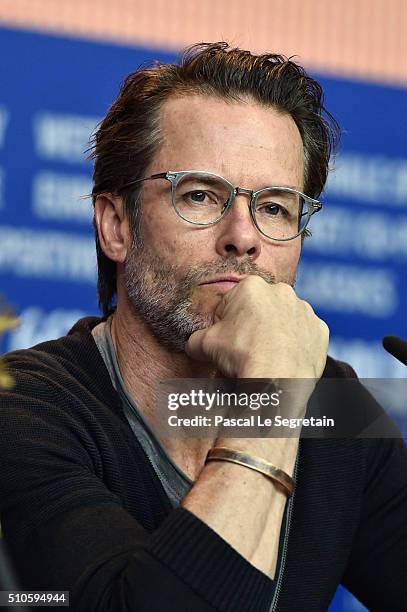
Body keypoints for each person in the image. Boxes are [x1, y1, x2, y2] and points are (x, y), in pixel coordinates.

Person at [0, 42, 406, 612]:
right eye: (199, 195)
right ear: (116, 225)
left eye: (274, 207)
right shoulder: (26, 413)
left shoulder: (334, 409)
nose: (243, 236)